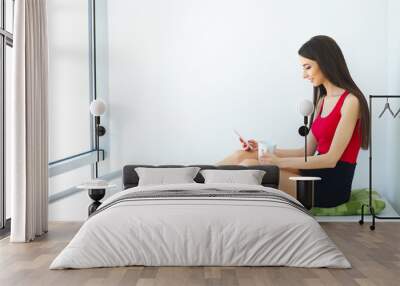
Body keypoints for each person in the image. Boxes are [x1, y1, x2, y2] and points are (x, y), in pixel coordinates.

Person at [217, 35, 370, 208]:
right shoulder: (322, 101)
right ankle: (195, 180)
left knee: (249, 166)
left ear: (325, 62)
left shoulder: (351, 102)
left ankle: (207, 190)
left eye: (308, 67)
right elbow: (306, 151)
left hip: (330, 185)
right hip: (314, 170)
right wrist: (264, 149)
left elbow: (331, 160)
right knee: (243, 155)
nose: (304, 75)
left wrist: (278, 162)